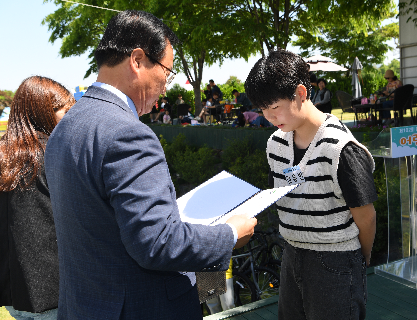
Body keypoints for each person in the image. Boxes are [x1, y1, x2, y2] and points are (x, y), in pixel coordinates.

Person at [44, 10, 256, 320]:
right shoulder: (127, 133)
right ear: (138, 60)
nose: (166, 86)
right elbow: (157, 242)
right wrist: (229, 234)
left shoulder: (67, 125)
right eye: (167, 73)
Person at [245, 49, 377, 320]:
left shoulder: (340, 148)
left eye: (274, 107)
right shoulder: (276, 144)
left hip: (336, 258)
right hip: (292, 253)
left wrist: (359, 259)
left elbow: (366, 216)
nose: (269, 117)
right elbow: (278, 192)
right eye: (262, 109)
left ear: (301, 93)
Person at [0, 76, 75, 320]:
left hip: (13, 288)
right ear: (44, 112)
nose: (71, 118)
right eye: (66, 111)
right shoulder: (54, 153)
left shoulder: (4, 155)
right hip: (55, 289)